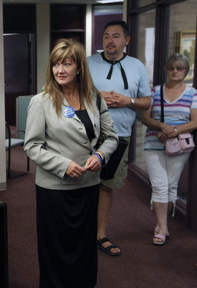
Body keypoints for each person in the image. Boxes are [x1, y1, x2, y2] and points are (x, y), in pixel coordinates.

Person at [24, 39, 118, 288]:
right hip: (55, 185)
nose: (60, 69)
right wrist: (64, 165)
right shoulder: (40, 102)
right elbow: (32, 146)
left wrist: (100, 156)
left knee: (81, 240)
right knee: (58, 240)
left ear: (79, 67)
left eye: (67, 63)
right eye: (56, 63)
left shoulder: (94, 96)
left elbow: (111, 137)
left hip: (88, 183)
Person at [87, 20, 151, 256]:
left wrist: (128, 101)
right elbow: (70, 92)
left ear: (127, 40)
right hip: (85, 134)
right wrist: (96, 96)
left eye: (115, 36)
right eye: (106, 36)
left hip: (119, 135)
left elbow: (146, 101)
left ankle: (100, 235)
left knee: (107, 185)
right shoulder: (88, 62)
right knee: (81, 182)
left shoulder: (137, 67)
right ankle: (81, 232)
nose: (110, 41)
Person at [141, 54, 197, 246]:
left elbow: (195, 121)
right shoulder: (154, 91)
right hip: (153, 144)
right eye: (172, 67)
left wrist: (172, 130)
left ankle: (161, 223)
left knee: (171, 186)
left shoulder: (192, 93)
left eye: (179, 68)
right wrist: (161, 126)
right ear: (166, 69)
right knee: (159, 185)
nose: (175, 71)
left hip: (180, 145)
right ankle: (164, 228)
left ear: (185, 71)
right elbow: (145, 118)